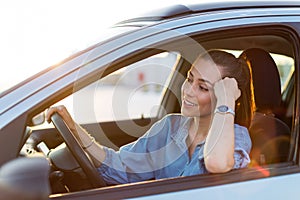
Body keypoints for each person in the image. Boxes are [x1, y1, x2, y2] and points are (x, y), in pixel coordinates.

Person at [46, 49, 254, 185]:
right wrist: (75, 130)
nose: (188, 91)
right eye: (189, 79)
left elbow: (217, 164)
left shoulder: (237, 138)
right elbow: (120, 167)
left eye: (202, 87)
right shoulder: (170, 127)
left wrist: (226, 101)